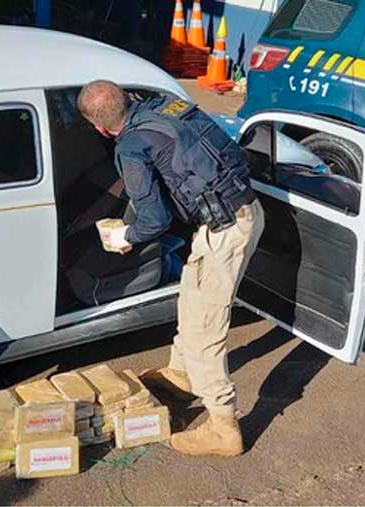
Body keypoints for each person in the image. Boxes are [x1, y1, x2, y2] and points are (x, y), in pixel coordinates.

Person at [77, 80, 265, 456]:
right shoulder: (166, 105)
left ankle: (224, 427)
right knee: (191, 301)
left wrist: (126, 237)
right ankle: (181, 375)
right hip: (239, 211)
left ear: (99, 128)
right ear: (127, 98)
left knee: (205, 330)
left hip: (225, 231)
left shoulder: (130, 148)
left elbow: (154, 219)